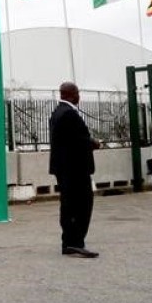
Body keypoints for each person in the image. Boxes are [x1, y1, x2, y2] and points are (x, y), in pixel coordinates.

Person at [49, 82, 100, 259]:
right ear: (71, 94)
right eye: (77, 93)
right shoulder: (69, 114)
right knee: (82, 205)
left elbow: (66, 140)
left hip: (64, 168)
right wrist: (93, 143)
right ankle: (75, 242)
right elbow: (78, 141)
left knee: (68, 205)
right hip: (75, 169)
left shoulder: (57, 112)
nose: (79, 96)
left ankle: (69, 242)